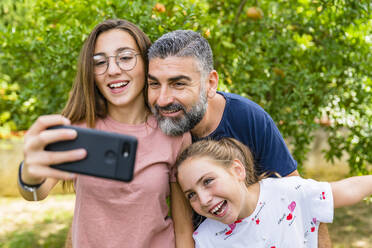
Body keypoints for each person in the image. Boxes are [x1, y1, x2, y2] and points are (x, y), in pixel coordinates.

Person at [146, 29, 332, 247]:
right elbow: (183, 225)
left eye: (179, 84)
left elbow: (302, 200)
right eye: (154, 84)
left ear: (210, 83)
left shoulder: (248, 118)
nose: (163, 99)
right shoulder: (154, 127)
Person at [18, 19, 194, 248]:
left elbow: (183, 229)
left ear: (146, 62)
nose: (112, 70)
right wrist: (29, 174)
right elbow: (36, 192)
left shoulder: (174, 134)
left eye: (126, 58)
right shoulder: (79, 129)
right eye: (99, 62)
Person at [175, 137, 372, 247]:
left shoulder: (289, 192)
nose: (203, 199)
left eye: (208, 181)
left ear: (237, 170)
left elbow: (349, 189)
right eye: (191, 194)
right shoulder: (206, 240)